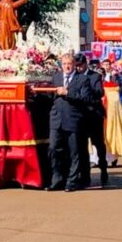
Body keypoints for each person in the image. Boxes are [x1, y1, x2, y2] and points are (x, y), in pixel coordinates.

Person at [46, 53, 91, 192]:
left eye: (69, 63)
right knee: (54, 149)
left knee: (74, 152)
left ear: (74, 65)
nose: (67, 66)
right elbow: (49, 96)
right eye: (64, 63)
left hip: (73, 120)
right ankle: (57, 179)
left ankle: (71, 181)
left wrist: (67, 93)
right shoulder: (56, 77)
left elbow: (86, 99)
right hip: (56, 120)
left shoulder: (82, 79)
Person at [75, 53, 108, 187]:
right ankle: (85, 176)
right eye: (76, 66)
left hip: (94, 115)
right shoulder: (75, 76)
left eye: (80, 66)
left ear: (85, 64)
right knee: (81, 147)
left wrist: (86, 87)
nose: (78, 68)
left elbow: (100, 93)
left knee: (98, 144)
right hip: (80, 116)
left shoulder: (95, 76)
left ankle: (103, 169)